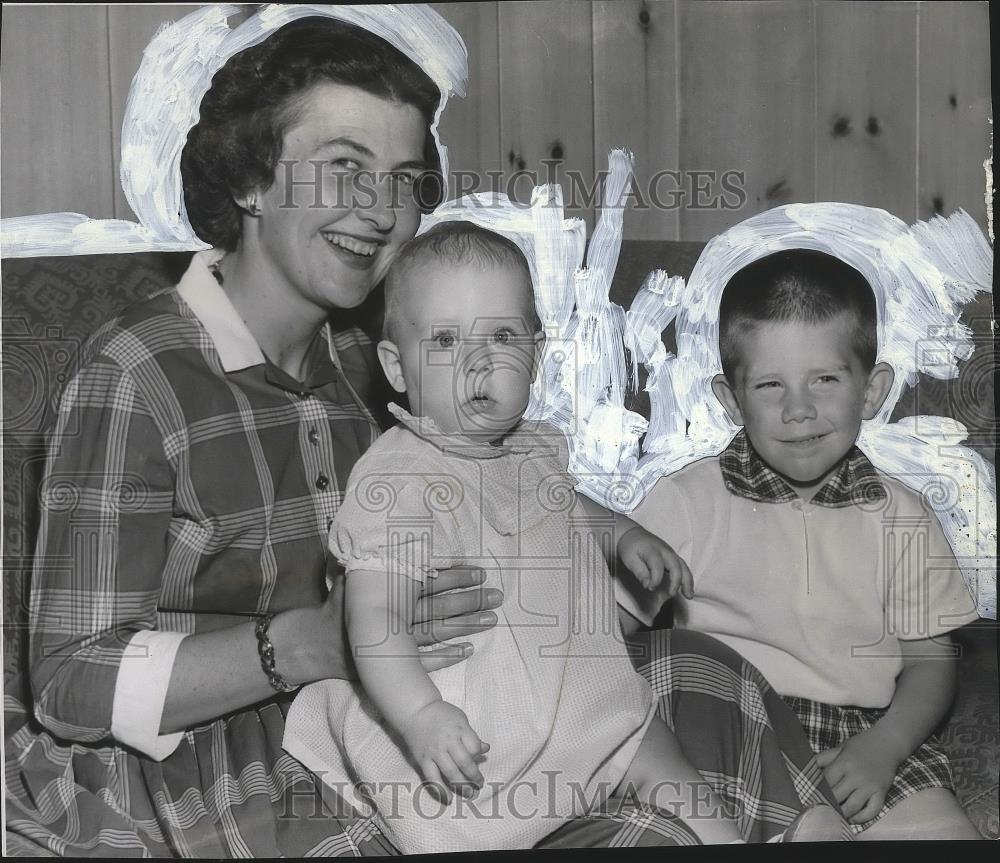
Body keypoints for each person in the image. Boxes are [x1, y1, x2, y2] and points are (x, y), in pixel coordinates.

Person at [4, 8, 839, 857]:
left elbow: (496, 491)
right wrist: (304, 644)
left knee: (693, 665)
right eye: (343, 170)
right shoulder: (138, 372)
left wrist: (599, 555)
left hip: (432, 698)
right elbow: (70, 681)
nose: (378, 211)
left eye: (402, 180)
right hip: (229, 746)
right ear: (250, 182)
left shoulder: (380, 357)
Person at [285, 222, 831, 851]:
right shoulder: (400, 478)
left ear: (535, 355)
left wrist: (623, 537)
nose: (478, 360)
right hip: (468, 714)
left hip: (576, 689)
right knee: (466, 822)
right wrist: (420, 716)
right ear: (396, 367)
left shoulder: (533, 450)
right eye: (444, 339)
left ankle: (730, 834)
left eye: (502, 336)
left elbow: (567, 509)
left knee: (651, 746)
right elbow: (373, 619)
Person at [630, 249, 982, 840]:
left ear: (872, 392)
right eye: (770, 385)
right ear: (730, 399)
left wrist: (886, 747)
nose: (799, 409)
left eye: (825, 379)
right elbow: (612, 628)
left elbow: (931, 662)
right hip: (726, 725)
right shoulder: (682, 504)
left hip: (863, 737)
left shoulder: (904, 516)